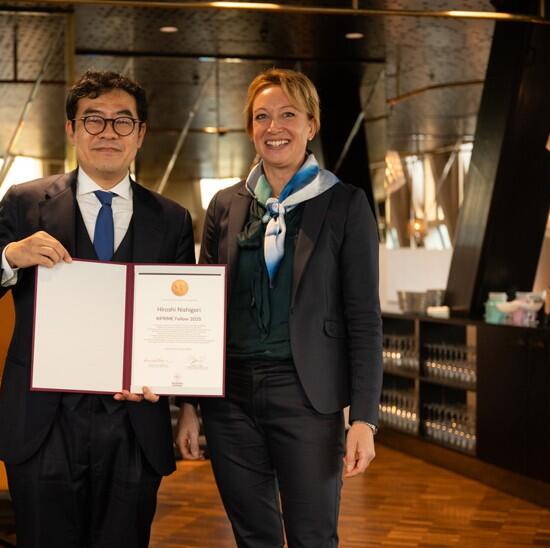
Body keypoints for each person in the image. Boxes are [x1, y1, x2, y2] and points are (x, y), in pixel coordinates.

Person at [0, 70, 195, 548]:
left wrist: (184, 399)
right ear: (71, 129)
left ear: (141, 133)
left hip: (134, 424)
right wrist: (11, 256)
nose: (108, 132)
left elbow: (181, 321)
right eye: (93, 120)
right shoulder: (26, 203)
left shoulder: (172, 219)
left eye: (122, 121)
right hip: (44, 424)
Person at [175, 68, 383, 547]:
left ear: (311, 125)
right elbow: (200, 315)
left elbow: (364, 321)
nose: (275, 127)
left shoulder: (345, 204)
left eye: (288, 114)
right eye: (262, 116)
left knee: (312, 536)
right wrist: (189, 405)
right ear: (250, 128)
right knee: (252, 536)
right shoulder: (225, 206)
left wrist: (363, 420)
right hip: (229, 401)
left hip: (306, 397)